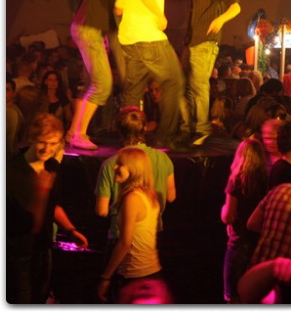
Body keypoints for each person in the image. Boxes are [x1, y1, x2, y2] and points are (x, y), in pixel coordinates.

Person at [67, 0, 133, 150]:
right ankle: (78, 133)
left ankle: (73, 132)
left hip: (93, 31)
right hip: (88, 29)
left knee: (92, 85)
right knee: (103, 84)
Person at [7, 113, 88, 303]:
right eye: (42, 142)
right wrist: (41, 192)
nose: (47, 149)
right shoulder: (11, 173)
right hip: (18, 253)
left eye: (53, 144)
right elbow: (30, 226)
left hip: (44, 249)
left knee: (41, 298)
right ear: (31, 138)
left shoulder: (52, 166)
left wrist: (71, 230)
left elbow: (53, 206)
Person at [114, 0, 185, 150]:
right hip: (150, 38)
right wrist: (159, 15)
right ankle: (165, 137)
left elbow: (118, 9)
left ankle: (130, 138)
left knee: (133, 91)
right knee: (173, 81)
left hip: (129, 40)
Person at [180, 0, 240, 145]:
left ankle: (201, 130)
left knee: (198, 86)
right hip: (191, 42)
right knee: (186, 87)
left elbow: (236, 6)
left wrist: (221, 19)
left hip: (205, 42)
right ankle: (188, 129)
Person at [95, 109, 176, 248]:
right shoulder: (163, 158)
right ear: (145, 128)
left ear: (118, 130)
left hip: (121, 234)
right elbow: (171, 197)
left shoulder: (110, 164)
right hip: (153, 233)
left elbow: (102, 211)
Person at [97, 147, 165, 303]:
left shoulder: (133, 198)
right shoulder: (148, 194)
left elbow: (125, 242)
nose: (115, 167)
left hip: (135, 274)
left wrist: (105, 277)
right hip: (150, 271)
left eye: (121, 164)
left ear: (134, 169)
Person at [221, 138, 269, 303]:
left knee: (234, 297)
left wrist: (222, 210)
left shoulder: (236, 180)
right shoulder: (266, 180)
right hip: (259, 243)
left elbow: (228, 216)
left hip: (239, 244)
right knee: (255, 296)